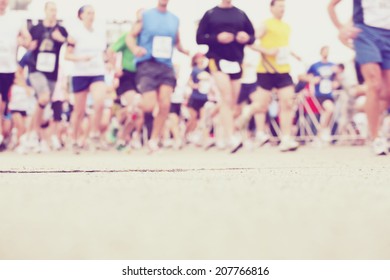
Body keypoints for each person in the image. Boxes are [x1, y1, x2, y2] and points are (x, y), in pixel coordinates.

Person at [328, 0, 390, 155]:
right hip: (366, 34)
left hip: (388, 35)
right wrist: (342, 28)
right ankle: (375, 139)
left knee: (387, 92)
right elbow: (331, 5)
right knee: (374, 84)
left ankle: (381, 131)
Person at [126, 0, 189, 153]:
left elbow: (177, 42)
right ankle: (137, 103)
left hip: (166, 66)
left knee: (165, 104)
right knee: (148, 105)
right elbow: (130, 36)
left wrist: (185, 51)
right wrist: (135, 48)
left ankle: (153, 140)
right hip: (148, 63)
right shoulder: (146, 16)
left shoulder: (174, 19)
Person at [196, 0, 255, 153]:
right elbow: (199, 38)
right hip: (217, 59)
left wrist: (246, 37)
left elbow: (252, 36)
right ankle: (231, 137)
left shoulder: (241, 14)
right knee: (226, 97)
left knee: (232, 103)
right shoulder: (210, 14)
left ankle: (218, 133)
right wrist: (217, 38)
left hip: (236, 61)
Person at [253, 0, 300, 152]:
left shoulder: (287, 27)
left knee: (287, 103)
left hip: (283, 69)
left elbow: (283, 46)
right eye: (279, 6)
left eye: (284, 6)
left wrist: (295, 54)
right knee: (261, 105)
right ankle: (260, 134)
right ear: (271, 8)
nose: (282, 9)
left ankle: (285, 138)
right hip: (266, 69)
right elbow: (250, 41)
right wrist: (266, 51)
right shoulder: (266, 24)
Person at [65, 5, 107, 153]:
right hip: (80, 74)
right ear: (81, 15)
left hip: (97, 72)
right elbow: (67, 55)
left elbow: (104, 53)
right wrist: (82, 58)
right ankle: (74, 139)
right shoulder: (74, 33)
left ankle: (94, 134)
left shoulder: (99, 32)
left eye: (93, 13)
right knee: (79, 111)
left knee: (100, 102)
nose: (91, 15)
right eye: (88, 13)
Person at [27, 1, 68, 152]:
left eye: (55, 10)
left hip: (52, 72)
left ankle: (34, 134)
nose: (53, 12)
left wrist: (61, 39)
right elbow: (27, 43)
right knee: (43, 98)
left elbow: (70, 44)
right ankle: (32, 134)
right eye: (51, 10)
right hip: (36, 69)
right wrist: (28, 45)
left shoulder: (61, 29)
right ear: (45, 11)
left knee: (43, 103)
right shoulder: (36, 28)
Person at [0, 0, 31, 147]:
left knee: (4, 104)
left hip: (8, 68)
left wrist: (23, 41)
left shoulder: (15, 19)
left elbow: (27, 39)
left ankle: (4, 135)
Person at [307, 46, 338, 143]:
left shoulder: (333, 65)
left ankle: (320, 133)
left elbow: (337, 78)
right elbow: (306, 76)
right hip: (319, 93)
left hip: (329, 93)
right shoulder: (315, 65)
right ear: (321, 52)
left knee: (327, 112)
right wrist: (312, 81)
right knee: (329, 109)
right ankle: (323, 131)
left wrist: (336, 83)